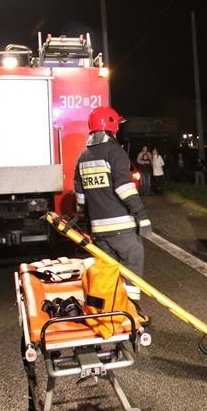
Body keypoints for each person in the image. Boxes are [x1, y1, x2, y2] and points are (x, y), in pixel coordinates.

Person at [74, 106, 152, 322]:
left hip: (99, 231)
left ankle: (109, 311)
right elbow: (124, 188)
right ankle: (131, 310)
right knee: (133, 261)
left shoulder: (83, 156)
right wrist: (142, 216)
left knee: (109, 271)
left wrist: (83, 217)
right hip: (121, 227)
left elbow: (80, 197)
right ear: (111, 126)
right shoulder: (115, 151)